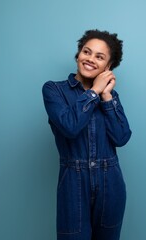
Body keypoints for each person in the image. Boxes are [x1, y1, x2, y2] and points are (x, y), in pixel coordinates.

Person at [42, 29, 132, 240]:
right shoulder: (54, 90)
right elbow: (70, 127)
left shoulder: (110, 96)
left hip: (111, 182)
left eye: (99, 57)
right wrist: (93, 92)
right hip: (73, 183)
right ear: (78, 54)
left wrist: (107, 96)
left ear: (108, 66)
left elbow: (122, 138)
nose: (90, 59)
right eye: (86, 52)